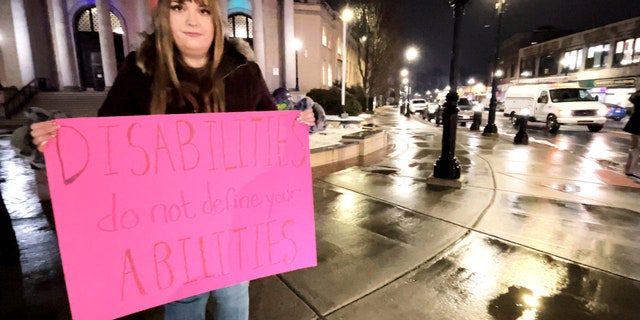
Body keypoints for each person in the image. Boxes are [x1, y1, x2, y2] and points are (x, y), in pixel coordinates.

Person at [30, 0, 314, 319]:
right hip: (172, 226)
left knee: (233, 295)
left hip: (234, 220)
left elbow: (271, 126)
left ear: (216, 20)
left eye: (204, 10)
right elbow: (104, 141)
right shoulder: (140, 71)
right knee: (184, 302)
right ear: (164, 15)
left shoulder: (244, 70)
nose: (193, 20)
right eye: (179, 7)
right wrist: (57, 142)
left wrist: (300, 121)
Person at [624, 89, 640, 178]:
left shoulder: (636, 97)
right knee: (635, 146)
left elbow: (631, 99)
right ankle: (631, 170)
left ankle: (630, 169)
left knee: (634, 146)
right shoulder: (637, 97)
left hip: (635, 122)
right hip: (637, 122)